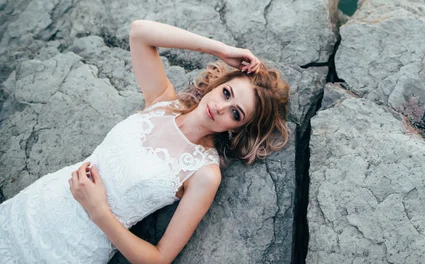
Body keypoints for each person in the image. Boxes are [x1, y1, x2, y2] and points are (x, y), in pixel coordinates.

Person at [0, 20, 290, 263]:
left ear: (237, 128)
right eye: (227, 93)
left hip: (71, 249)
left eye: (235, 113)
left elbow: (159, 258)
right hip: (36, 205)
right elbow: (139, 32)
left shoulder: (204, 173)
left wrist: (99, 211)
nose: (222, 107)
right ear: (218, 84)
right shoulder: (162, 102)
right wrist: (221, 49)